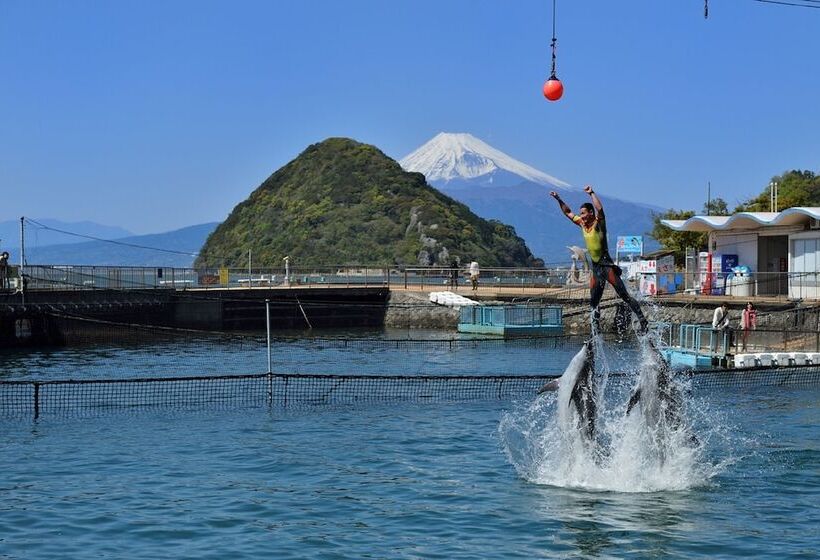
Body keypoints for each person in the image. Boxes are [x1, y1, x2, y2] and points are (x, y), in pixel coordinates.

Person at [550, 186, 648, 335]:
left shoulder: (598, 223)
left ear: (590, 213)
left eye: (583, 213)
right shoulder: (582, 224)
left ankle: (643, 321)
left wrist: (591, 194)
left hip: (606, 265)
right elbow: (568, 212)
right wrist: (558, 199)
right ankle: (595, 333)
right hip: (595, 268)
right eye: (581, 214)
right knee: (594, 302)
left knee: (624, 296)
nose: (581, 216)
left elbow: (600, 210)